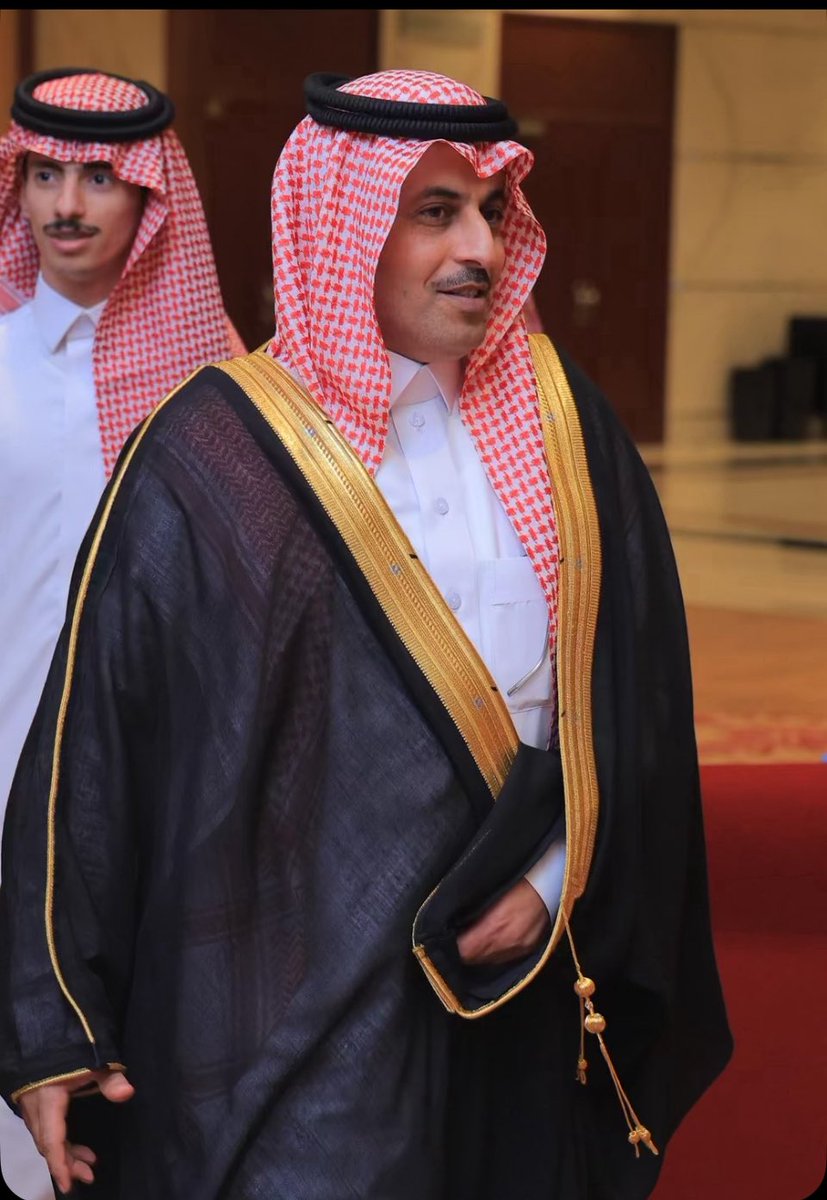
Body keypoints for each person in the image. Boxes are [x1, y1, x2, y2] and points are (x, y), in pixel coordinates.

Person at [0, 69, 732, 1199]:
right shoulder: (213, 450)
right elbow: (96, 747)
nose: (479, 249)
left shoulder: (565, 424)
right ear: (340, 231)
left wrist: (551, 880)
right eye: (433, 212)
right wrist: (52, 1019)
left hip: (524, 991)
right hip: (290, 1010)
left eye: (490, 211)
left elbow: (637, 707)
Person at [0, 67, 245, 1200]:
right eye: (44, 174)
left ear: (150, 195)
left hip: (151, 775)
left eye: (100, 177)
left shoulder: (219, 386)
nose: (67, 204)